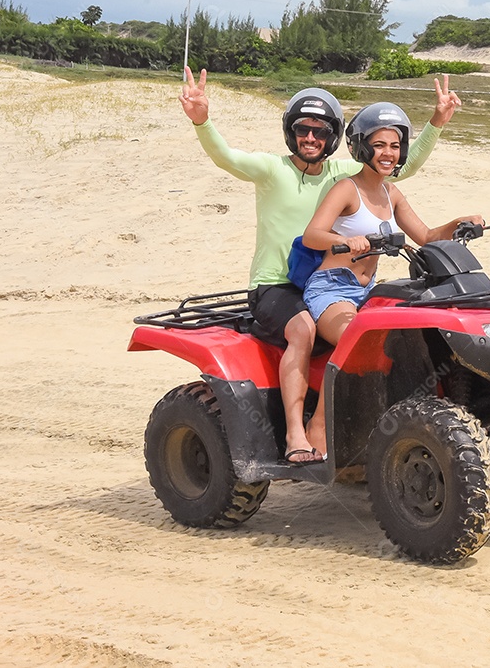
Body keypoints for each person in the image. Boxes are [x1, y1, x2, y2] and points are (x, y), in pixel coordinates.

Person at [178, 67, 462, 464]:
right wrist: (201, 120)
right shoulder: (271, 168)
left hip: (327, 281)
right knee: (303, 328)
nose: (310, 138)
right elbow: (226, 157)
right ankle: (297, 431)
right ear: (290, 131)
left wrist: (436, 123)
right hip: (276, 285)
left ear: (333, 137)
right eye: (302, 130)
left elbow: (397, 166)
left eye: (320, 131)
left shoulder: (341, 173)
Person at [300, 102, 482, 451]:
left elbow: (427, 236)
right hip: (331, 289)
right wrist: (345, 240)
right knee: (355, 336)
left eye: (395, 146)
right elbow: (312, 235)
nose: (388, 153)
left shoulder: (391, 192)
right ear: (362, 147)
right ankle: (318, 426)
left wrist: (461, 223)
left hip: (365, 292)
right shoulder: (345, 189)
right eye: (380, 145)